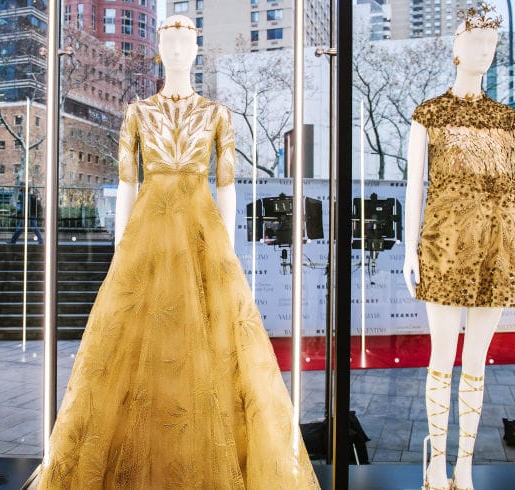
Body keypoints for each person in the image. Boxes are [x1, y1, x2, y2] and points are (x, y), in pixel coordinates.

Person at [23, 15, 319, 489]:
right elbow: (126, 182)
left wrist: (227, 250)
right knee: (133, 345)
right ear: (160, 50)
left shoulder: (218, 113)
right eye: (170, 41)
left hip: (202, 234)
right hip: (148, 234)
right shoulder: (137, 112)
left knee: (214, 344)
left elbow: (227, 185)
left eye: (186, 41)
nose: (178, 48)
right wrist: (121, 249)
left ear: (196, 50)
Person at [402, 4, 515, 490]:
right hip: (444, 244)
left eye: (491, 44)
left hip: (498, 246)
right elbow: (414, 186)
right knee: (443, 357)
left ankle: (465, 464)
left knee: (477, 361)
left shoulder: (506, 119)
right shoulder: (430, 113)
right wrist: (409, 249)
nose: (485, 51)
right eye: (476, 42)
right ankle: (437, 463)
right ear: (456, 49)